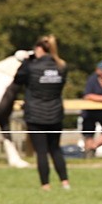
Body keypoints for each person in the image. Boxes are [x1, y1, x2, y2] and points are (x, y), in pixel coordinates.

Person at [14, 34, 69, 190]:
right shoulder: (62, 66)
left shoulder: (31, 66)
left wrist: (25, 61)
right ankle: (65, 182)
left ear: (38, 48)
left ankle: (46, 185)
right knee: (56, 149)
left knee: (42, 152)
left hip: (35, 115)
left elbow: (18, 79)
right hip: (55, 114)